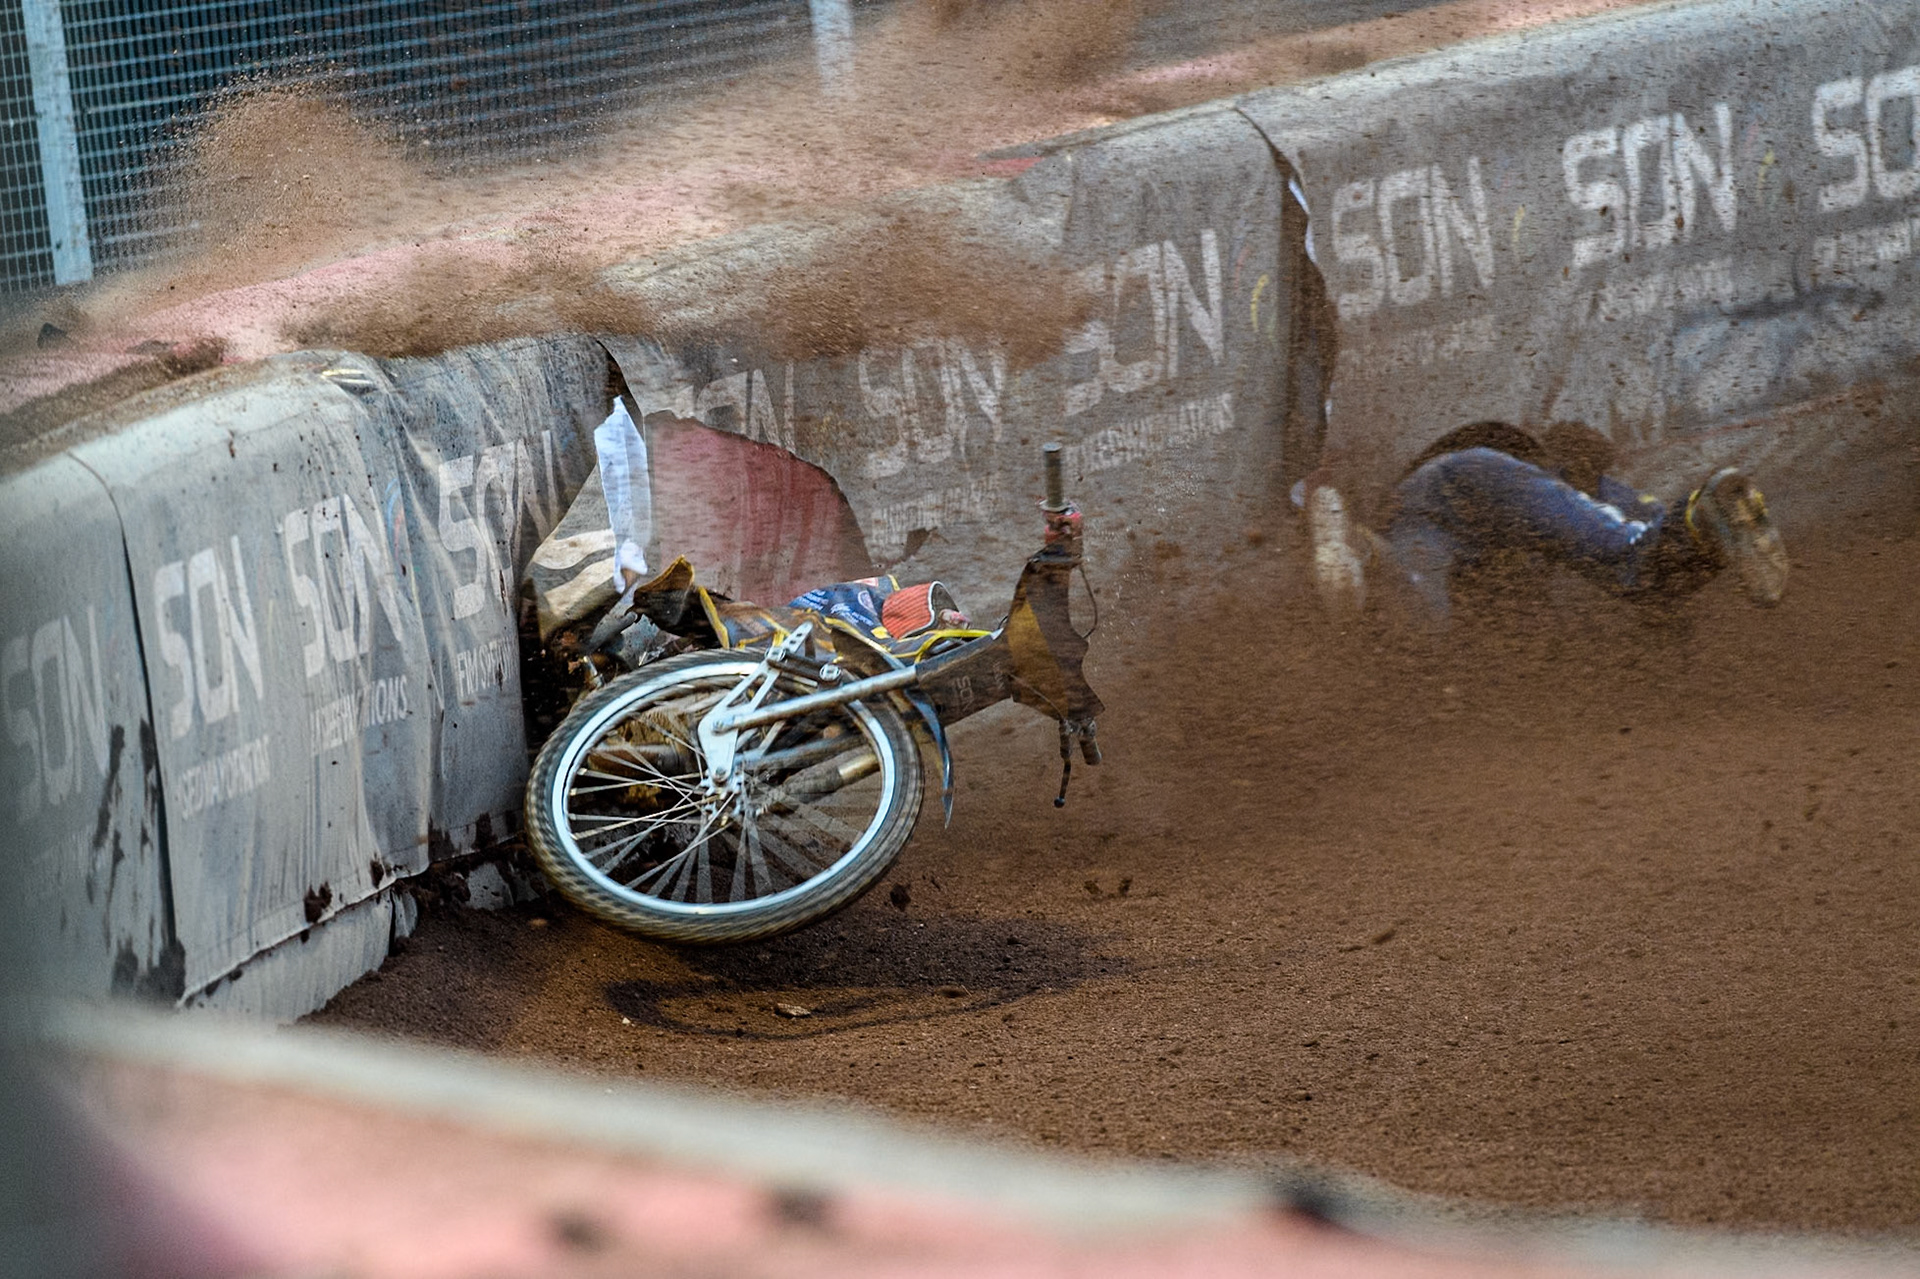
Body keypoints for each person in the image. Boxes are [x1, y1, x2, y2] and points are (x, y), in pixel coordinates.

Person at [1302, 421, 1789, 629]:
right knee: (1632, 558)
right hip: (1473, 490)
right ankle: (1704, 510)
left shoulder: (1594, 496)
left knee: (1424, 620)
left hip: (1432, 510)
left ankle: (1359, 548)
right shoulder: (1582, 491)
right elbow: (1649, 565)